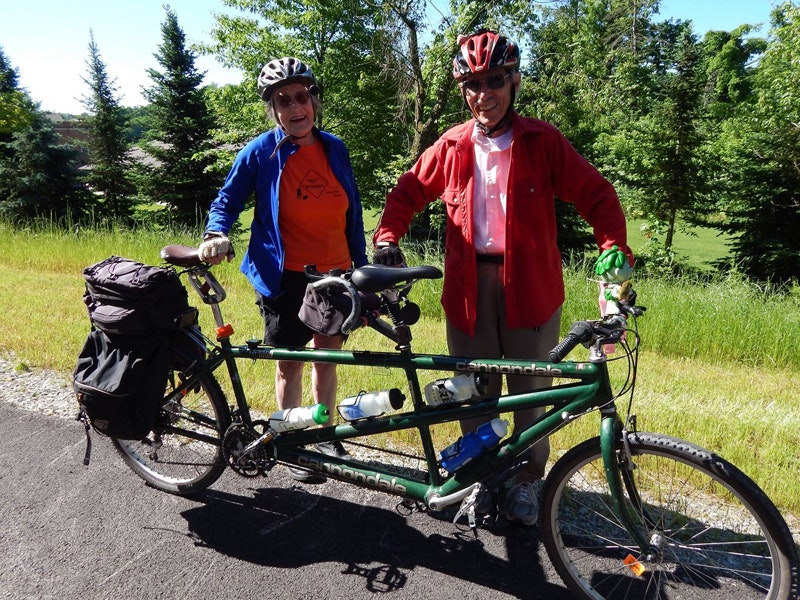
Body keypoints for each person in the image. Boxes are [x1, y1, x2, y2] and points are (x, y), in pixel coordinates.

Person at [372, 30, 633, 525]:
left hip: (530, 287)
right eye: (472, 84)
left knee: (531, 392)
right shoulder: (451, 145)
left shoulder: (542, 141)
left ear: (514, 82)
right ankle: (479, 479)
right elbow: (406, 192)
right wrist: (387, 238)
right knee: (472, 391)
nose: (483, 93)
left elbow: (596, 194)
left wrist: (613, 248)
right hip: (468, 288)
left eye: (494, 80)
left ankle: (527, 481)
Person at [198, 57, 368, 482]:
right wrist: (216, 233)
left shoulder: (335, 148)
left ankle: (325, 434)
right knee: (290, 363)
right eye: (283, 100)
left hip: (335, 274)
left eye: (301, 97)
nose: (295, 107)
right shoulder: (260, 152)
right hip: (286, 276)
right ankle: (290, 441)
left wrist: (362, 267)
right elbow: (226, 200)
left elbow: (353, 212)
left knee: (326, 359)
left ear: (313, 101)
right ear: (273, 109)